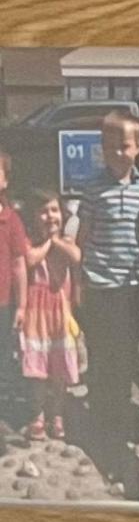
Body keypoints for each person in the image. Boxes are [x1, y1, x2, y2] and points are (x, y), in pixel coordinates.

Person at [65, 109, 139, 478]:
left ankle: (119, 416)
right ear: (101, 148)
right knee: (101, 355)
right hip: (100, 285)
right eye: (110, 146)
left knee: (126, 355)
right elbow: (82, 238)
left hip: (131, 287)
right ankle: (103, 420)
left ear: (138, 148)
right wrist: (78, 282)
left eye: (125, 146)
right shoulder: (92, 188)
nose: (118, 152)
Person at [15, 189, 83, 443]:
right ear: (33, 216)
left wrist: (56, 242)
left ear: (62, 214)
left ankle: (57, 414)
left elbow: (75, 257)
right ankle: (38, 415)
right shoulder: (30, 241)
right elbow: (30, 259)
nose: (49, 216)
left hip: (60, 312)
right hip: (35, 313)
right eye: (43, 212)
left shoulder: (66, 241)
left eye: (54, 210)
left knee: (59, 367)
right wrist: (47, 242)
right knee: (37, 368)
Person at [0, 149, 28, 431]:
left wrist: (21, 305)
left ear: (5, 181)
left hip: (3, 304)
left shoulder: (11, 220)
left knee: (3, 358)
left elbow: (20, 264)